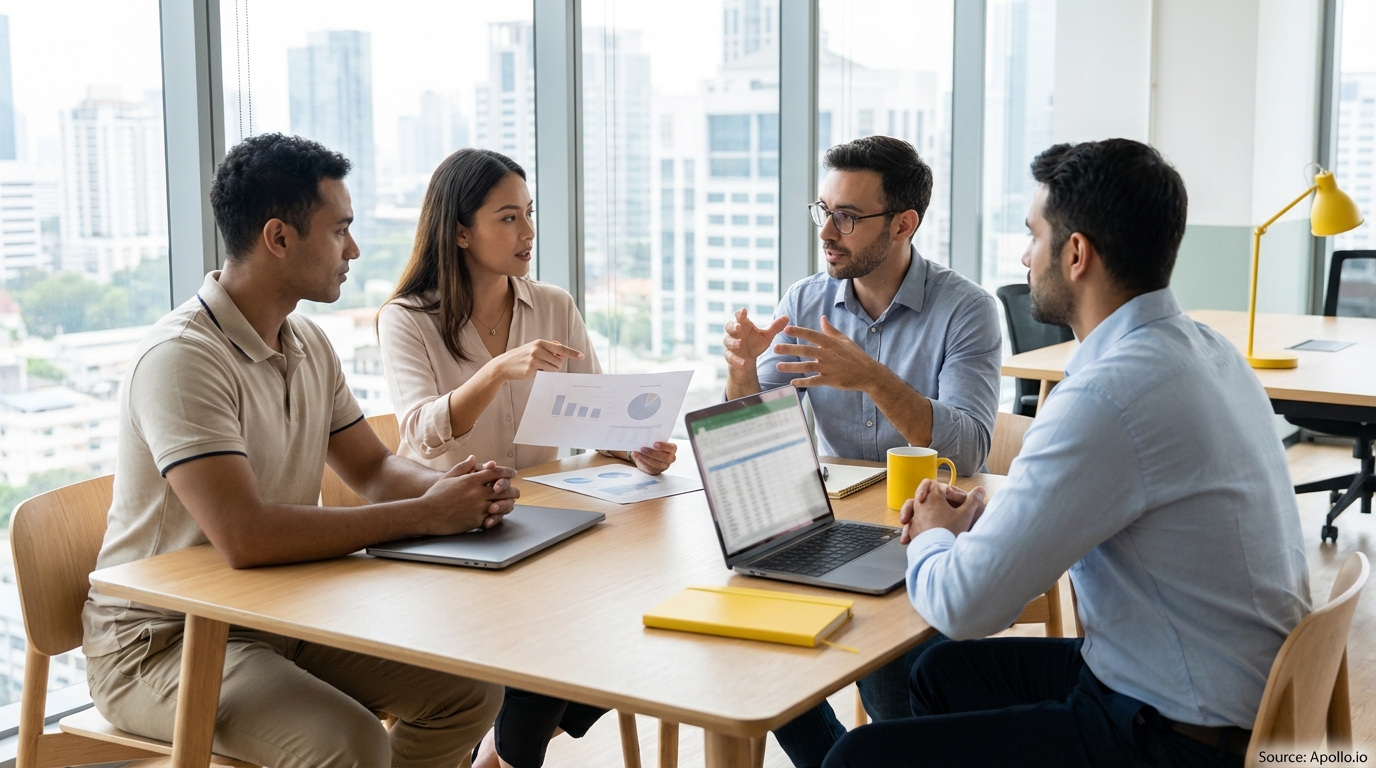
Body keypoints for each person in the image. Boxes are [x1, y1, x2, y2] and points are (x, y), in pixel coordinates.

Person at [823, 139, 1312, 768]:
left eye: (1034, 235)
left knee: (856, 760)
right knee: (941, 672)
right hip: (1231, 687)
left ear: (1076, 254)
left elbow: (966, 605)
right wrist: (979, 524)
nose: (1025, 257)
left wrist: (931, 536)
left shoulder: (1107, 395)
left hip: (1177, 733)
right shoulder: (1208, 351)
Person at [80, 133, 519, 768]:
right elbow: (246, 535)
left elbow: (370, 467)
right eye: (340, 230)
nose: (355, 250)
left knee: (470, 692)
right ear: (279, 238)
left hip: (275, 617)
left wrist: (455, 491)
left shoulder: (307, 341)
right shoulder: (181, 358)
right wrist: (427, 516)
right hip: (160, 642)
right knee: (353, 744)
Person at [376, 147, 676, 768]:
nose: (529, 233)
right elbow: (421, 432)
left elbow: (595, 413)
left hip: (536, 519)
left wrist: (634, 447)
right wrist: (494, 373)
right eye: (508, 218)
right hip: (445, 527)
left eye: (529, 214)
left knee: (623, 610)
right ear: (460, 231)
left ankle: (503, 752)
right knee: (565, 628)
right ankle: (506, 752)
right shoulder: (407, 319)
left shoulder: (553, 305)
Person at [721, 135, 1001, 767]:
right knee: (757, 638)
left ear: (904, 224)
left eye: (847, 216)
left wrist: (872, 376)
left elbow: (971, 443)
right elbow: (758, 432)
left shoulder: (967, 310)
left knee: (886, 664)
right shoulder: (806, 301)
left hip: (932, 524)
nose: (828, 231)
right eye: (823, 211)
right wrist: (741, 372)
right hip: (836, 523)